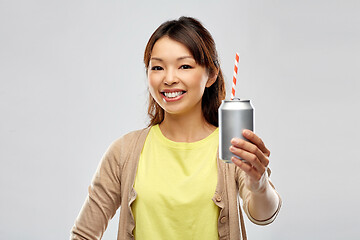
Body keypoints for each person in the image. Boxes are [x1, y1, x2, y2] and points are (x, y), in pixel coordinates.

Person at [70, 16, 281, 240]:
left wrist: (258, 184)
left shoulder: (232, 148)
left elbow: (263, 214)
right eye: (158, 67)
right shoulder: (124, 152)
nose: (169, 79)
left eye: (184, 66)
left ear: (211, 74)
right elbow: (84, 234)